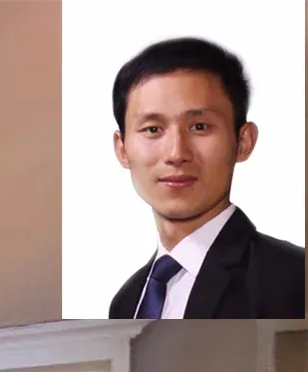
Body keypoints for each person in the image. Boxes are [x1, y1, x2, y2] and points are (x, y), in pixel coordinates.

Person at [107, 37, 305, 319]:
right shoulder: (128, 301)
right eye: (152, 129)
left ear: (243, 142)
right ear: (122, 148)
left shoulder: (293, 280)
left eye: (199, 126)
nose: (176, 153)